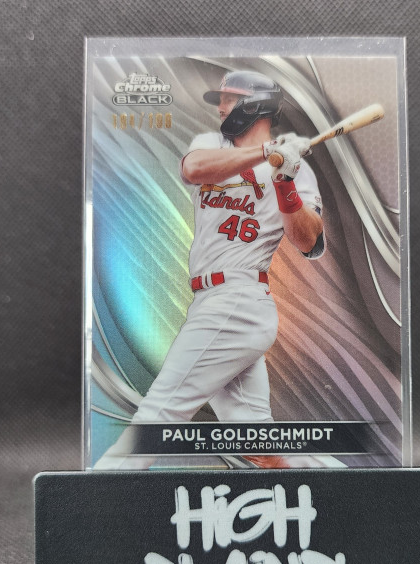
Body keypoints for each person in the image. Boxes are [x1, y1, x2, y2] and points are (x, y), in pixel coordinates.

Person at [96, 70, 325, 469]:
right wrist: (267, 152)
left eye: (229, 99)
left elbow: (309, 242)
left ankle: (95, 498)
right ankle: (337, 490)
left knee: (159, 414)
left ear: (257, 105)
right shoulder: (212, 145)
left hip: (238, 299)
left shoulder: (298, 170)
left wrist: (285, 181)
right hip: (214, 301)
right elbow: (194, 169)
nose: (220, 107)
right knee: (259, 444)